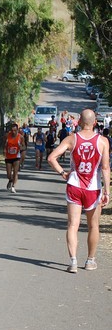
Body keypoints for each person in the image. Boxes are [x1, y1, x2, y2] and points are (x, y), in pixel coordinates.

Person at [48, 109, 110, 273]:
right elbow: (105, 168)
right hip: (93, 187)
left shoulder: (71, 139)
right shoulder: (103, 141)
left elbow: (51, 158)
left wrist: (63, 173)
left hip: (74, 184)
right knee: (93, 225)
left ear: (79, 122)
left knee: (73, 225)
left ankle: (73, 261)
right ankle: (90, 261)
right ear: (95, 122)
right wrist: (107, 192)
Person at [4, 123, 25, 193]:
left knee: (15, 172)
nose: (13, 132)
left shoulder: (21, 137)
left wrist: (21, 148)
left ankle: (13, 186)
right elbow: (4, 144)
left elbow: (24, 146)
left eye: (15, 130)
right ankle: (10, 180)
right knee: (8, 174)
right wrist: (4, 149)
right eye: (12, 130)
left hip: (16, 157)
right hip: (8, 156)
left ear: (17, 130)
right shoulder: (7, 136)